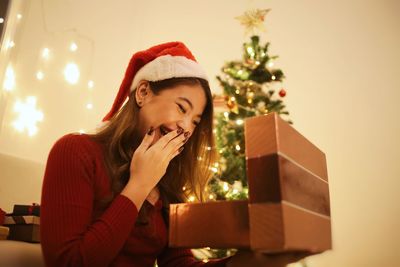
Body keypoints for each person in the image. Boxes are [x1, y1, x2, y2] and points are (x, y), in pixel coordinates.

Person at [40, 42, 312, 267]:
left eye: (195, 121)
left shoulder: (166, 182)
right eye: (182, 108)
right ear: (144, 92)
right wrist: (139, 185)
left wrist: (252, 261)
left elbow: (178, 265)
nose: (186, 127)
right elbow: (67, 262)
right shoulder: (75, 152)